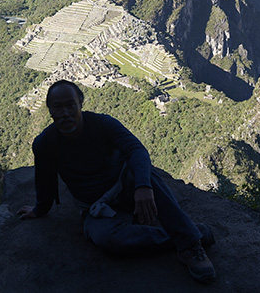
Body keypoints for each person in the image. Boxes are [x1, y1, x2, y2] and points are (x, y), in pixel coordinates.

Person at [17, 80, 216, 282]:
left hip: (125, 188)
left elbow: (136, 150)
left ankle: (190, 246)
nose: (65, 112)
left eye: (70, 105)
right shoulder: (45, 143)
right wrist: (40, 209)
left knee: (146, 175)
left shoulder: (102, 124)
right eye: (58, 107)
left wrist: (143, 187)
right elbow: (45, 180)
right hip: (95, 207)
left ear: (81, 104)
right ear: (50, 111)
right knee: (108, 240)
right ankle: (188, 234)